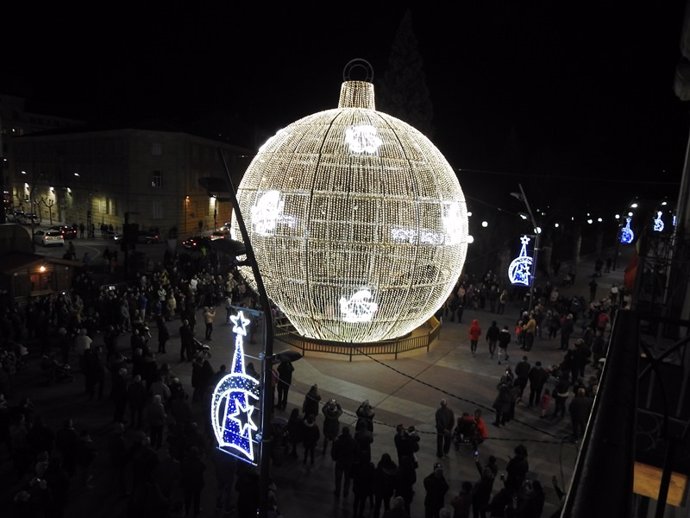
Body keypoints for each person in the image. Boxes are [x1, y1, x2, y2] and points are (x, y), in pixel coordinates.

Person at [332, 426, 359, 498]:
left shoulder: (338, 441)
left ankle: (337, 491)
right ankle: (345, 492)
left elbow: (334, 450)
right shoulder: (353, 441)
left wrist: (334, 458)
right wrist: (354, 460)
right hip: (349, 463)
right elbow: (356, 452)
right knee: (347, 479)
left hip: (340, 461)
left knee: (338, 478)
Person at [472, 454, 498, 518]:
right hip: (486, 495)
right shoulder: (493, 472)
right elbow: (482, 472)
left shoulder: (487, 474)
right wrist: (477, 462)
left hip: (480, 494)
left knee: (476, 509)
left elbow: (482, 472)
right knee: (482, 510)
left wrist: (477, 461)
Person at [373, 453, 398, 518]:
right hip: (388, 491)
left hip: (379, 490)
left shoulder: (380, 466)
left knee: (377, 506)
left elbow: (375, 478)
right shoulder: (393, 468)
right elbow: (395, 480)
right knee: (387, 505)